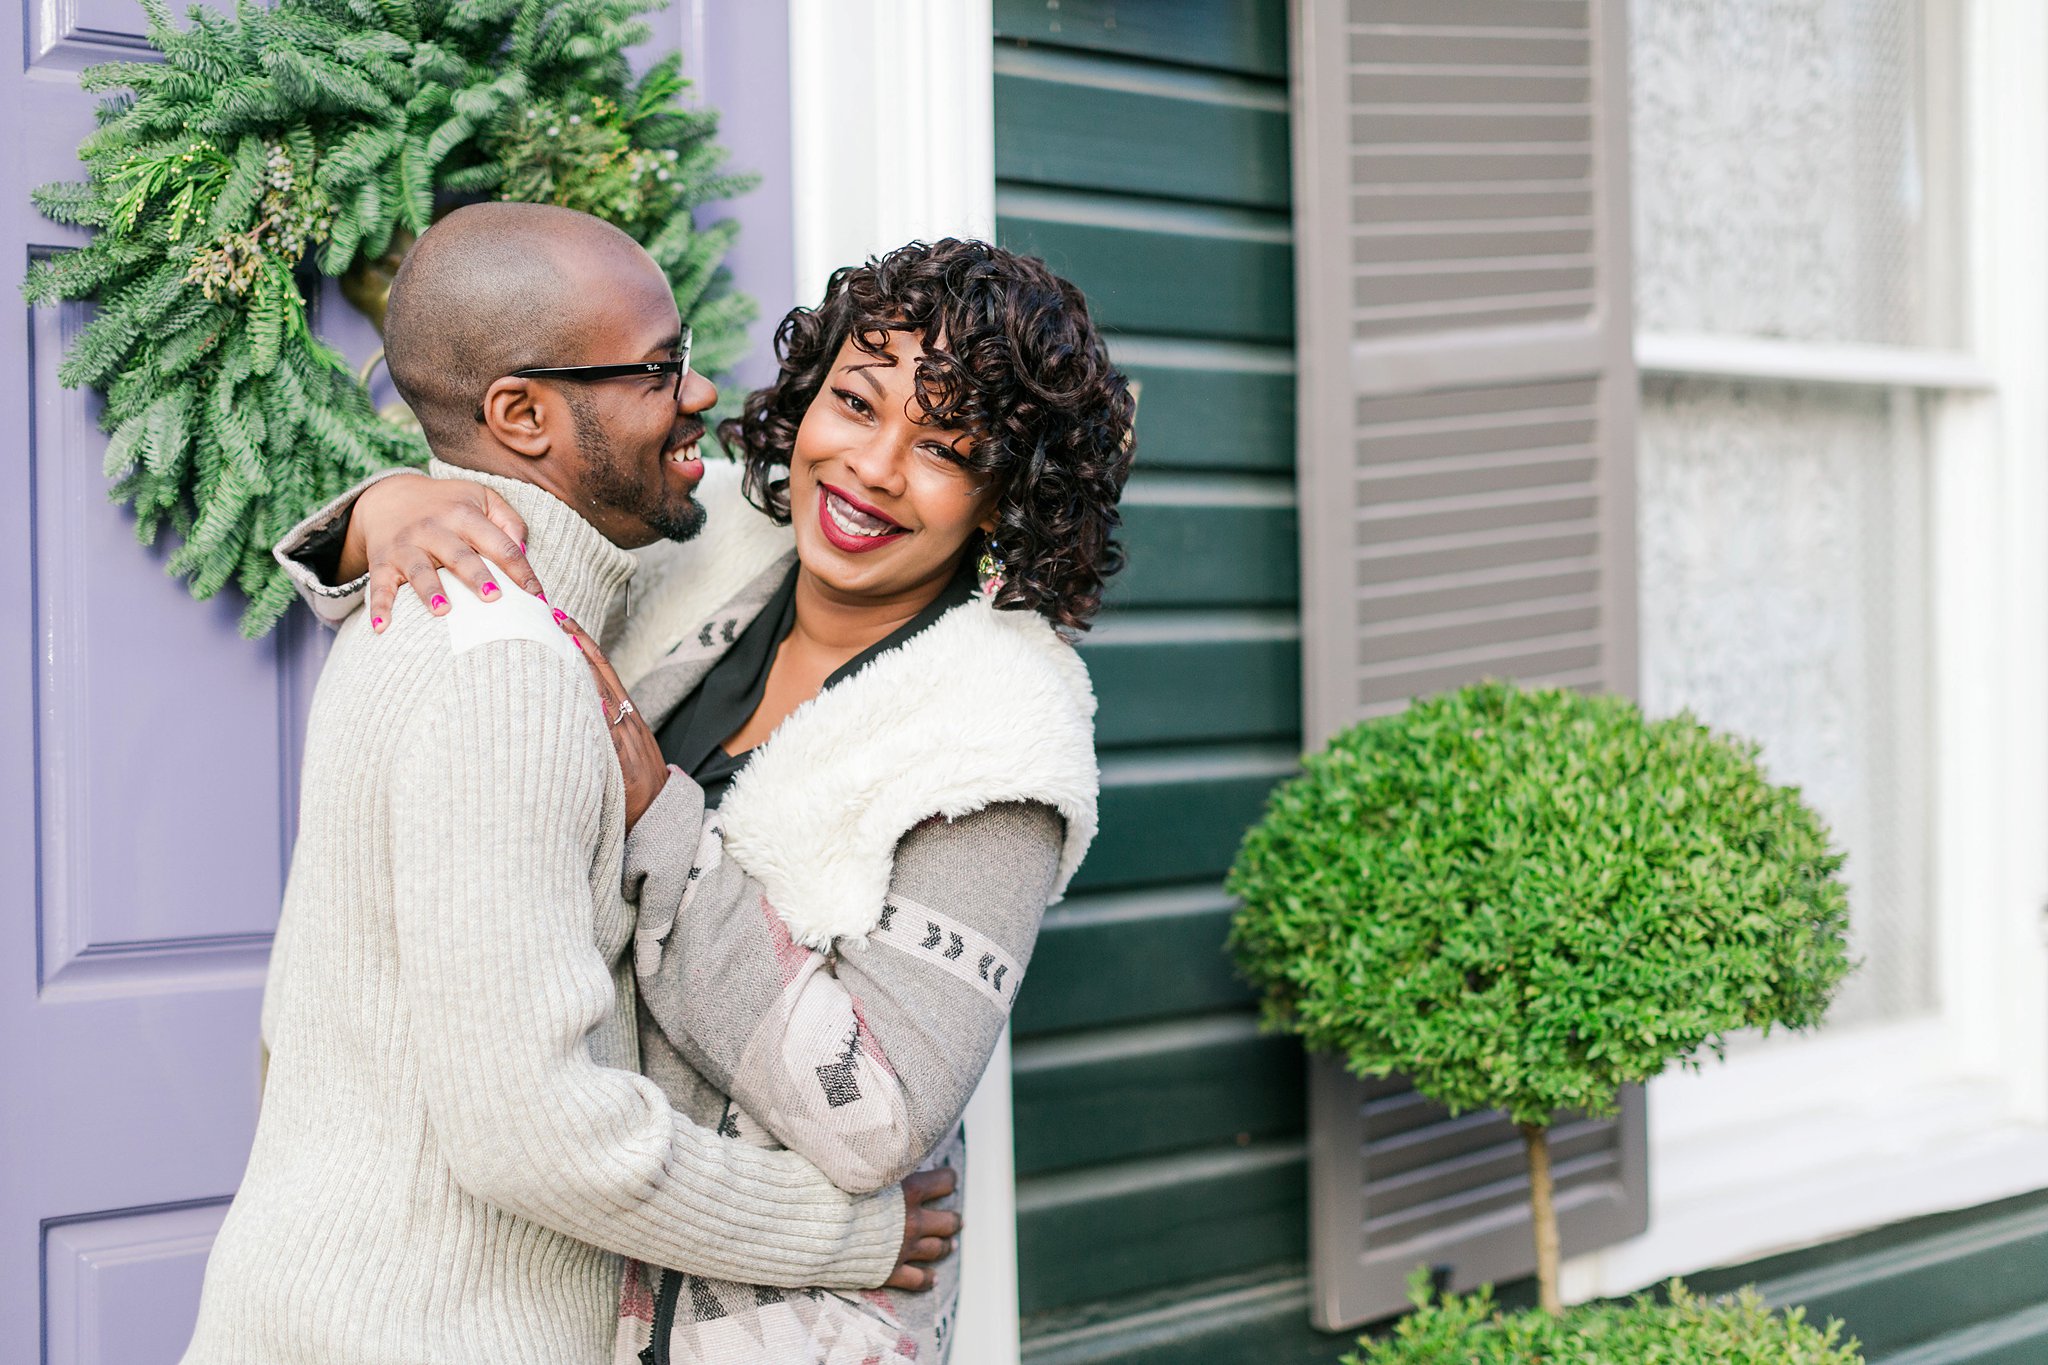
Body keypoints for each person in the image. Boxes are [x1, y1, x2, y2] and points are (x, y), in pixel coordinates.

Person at [283, 237, 1137, 1363]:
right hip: (574, 1284)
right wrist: (384, 510)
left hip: (784, 1329)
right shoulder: (702, 543)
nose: (874, 467)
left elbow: (875, 1112)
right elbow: (504, 504)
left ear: (1002, 498)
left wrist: (660, 818)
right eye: (857, 402)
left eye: (945, 447)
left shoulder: (999, 732)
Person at [180, 203, 958, 1365]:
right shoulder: (511, 670)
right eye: (656, 370)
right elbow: (530, 1134)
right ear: (522, 414)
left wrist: (378, 507)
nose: (697, 394)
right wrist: (836, 1229)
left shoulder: (441, 603)